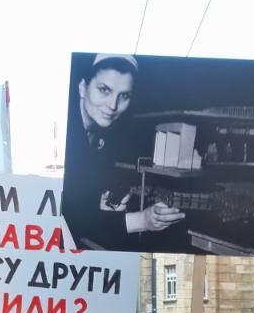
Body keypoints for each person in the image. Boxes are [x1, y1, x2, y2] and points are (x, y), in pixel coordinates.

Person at [61, 54, 184, 246]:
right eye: (104, 90)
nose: (113, 106)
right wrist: (142, 220)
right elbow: (71, 217)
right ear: (82, 87)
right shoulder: (62, 134)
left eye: (124, 96)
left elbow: (84, 212)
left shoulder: (103, 136)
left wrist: (100, 206)